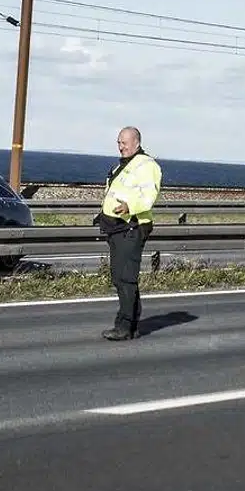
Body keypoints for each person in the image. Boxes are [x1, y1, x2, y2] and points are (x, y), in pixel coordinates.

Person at [95, 126, 162, 340]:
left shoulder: (146, 165)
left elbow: (149, 195)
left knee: (125, 278)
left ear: (136, 142)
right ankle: (131, 324)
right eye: (118, 142)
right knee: (122, 277)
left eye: (124, 142)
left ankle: (124, 327)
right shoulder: (124, 165)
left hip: (131, 226)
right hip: (117, 227)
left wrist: (129, 207)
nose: (120, 146)